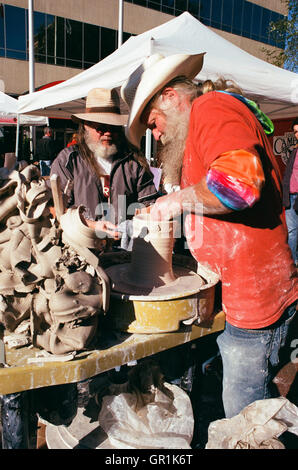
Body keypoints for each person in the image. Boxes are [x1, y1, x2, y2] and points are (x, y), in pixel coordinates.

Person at [120, 53, 298, 419]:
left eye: (153, 123)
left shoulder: (212, 108)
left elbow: (238, 187)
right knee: (224, 391)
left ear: (170, 96)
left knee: (243, 412)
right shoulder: (202, 122)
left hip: (256, 295)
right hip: (231, 287)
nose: (156, 135)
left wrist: (173, 203)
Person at [50, 87, 158, 239]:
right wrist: (91, 225)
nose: (108, 132)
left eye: (113, 127)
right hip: (81, 246)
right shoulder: (69, 160)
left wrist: (134, 224)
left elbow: (148, 203)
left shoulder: (133, 161)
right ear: (86, 125)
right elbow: (55, 209)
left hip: (124, 249)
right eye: (101, 128)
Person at [282, 118, 298, 265]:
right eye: (295, 132)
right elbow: (289, 174)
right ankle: (293, 262)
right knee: (292, 232)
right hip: (290, 196)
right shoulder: (294, 151)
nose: (297, 134)